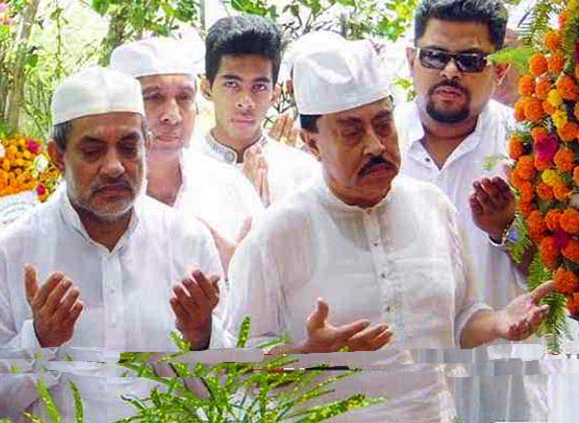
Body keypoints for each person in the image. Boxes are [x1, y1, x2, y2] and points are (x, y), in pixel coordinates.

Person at [225, 36, 552, 422]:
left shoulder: (433, 207)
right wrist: (305, 356)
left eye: (383, 124)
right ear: (311, 143)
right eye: (351, 132)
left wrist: (497, 323)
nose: (376, 145)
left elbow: (459, 320)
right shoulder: (275, 235)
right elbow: (237, 370)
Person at [0, 67, 224, 422]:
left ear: (146, 146)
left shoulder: (187, 241)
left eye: (129, 147)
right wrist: (39, 341)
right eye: (93, 151)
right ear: (58, 157)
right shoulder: (10, 255)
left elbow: (226, 390)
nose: (115, 167)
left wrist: (201, 339)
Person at [395, 1, 574, 420]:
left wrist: (509, 230)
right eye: (435, 56)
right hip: (401, 389)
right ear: (411, 59)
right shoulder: (378, 149)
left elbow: (563, 284)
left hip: (505, 390)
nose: (450, 72)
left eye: (470, 60)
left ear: (498, 72)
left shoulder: (536, 151)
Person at [110, 37, 264, 271]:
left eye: (184, 98)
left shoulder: (232, 188)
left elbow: (270, 284)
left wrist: (239, 269)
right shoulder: (100, 193)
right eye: (153, 97)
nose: (172, 115)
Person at [198, 15, 320, 206]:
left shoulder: (304, 173)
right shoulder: (182, 169)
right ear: (206, 89)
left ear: (274, 94)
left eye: (259, 87)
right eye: (231, 84)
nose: (246, 102)